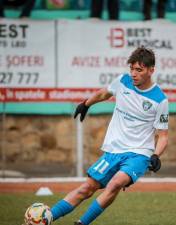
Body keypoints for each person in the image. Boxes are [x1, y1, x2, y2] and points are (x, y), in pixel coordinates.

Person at [50, 47, 169, 225]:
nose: (133, 74)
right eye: (132, 69)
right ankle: (47, 217)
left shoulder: (160, 100)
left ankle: (82, 223)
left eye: (139, 70)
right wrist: (86, 104)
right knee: (86, 188)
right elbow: (104, 93)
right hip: (113, 151)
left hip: (139, 153)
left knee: (115, 183)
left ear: (151, 70)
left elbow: (163, 135)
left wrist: (156, 155)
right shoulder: (123, 81)